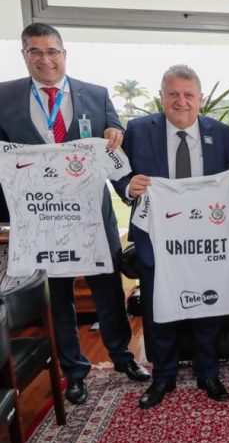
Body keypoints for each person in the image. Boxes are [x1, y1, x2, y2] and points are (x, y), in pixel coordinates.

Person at [0, 22, 149, 405]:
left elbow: (113, 140)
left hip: (92, 215)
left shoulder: (96, 95)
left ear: (64, 54)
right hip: (42, 218)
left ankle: (122, 357)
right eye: (35, 51)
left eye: (52, 51)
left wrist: (114, 136)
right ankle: (75, 371)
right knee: (59, 297)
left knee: (108, 289)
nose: (45, 59)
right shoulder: (3, 96)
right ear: (24, 55)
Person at [114, 64, 229, 409]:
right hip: (156, 241)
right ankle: (163, 376)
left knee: (208, 310)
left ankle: (208, 374)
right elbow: (119, 173)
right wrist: (127, 186)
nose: (181, 101)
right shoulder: (138, 130)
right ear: (162, 96)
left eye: (188, 95)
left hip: (206, 242)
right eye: (173, 94)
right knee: (159, 310)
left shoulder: (222, 133)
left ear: (200, 98)